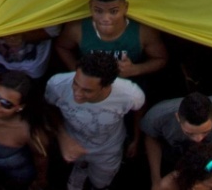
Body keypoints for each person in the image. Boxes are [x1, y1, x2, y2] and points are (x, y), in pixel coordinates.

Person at [46, 51, 145, 190]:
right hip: (73, 142)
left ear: (107, 86)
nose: (77, 93)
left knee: (101, 183)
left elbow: (138, 111)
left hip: (108, 150)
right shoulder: (57, 84)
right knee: (79, 167)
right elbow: (48, 110)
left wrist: (136, 139)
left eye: (87, 90)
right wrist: (63, 137)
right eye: (75, 83)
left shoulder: (131, 95)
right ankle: (81, 168)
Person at [54, 0, 168, 79]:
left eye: (113, 12)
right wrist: (77, 70)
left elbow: (160, 58)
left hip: (129, 90)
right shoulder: (77, 28)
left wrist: (135, 69)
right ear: (90, 7)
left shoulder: (143, 31)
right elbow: (62, 47)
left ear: (125, 8)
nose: (105, 18)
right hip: (88, 90)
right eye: (98, 11)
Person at [142, 92, 212, 188]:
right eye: (190, 133)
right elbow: (151, 137)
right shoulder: (157, 117)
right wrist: (156, 180)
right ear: (178, 118)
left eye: (205, 132)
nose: (198, 140)